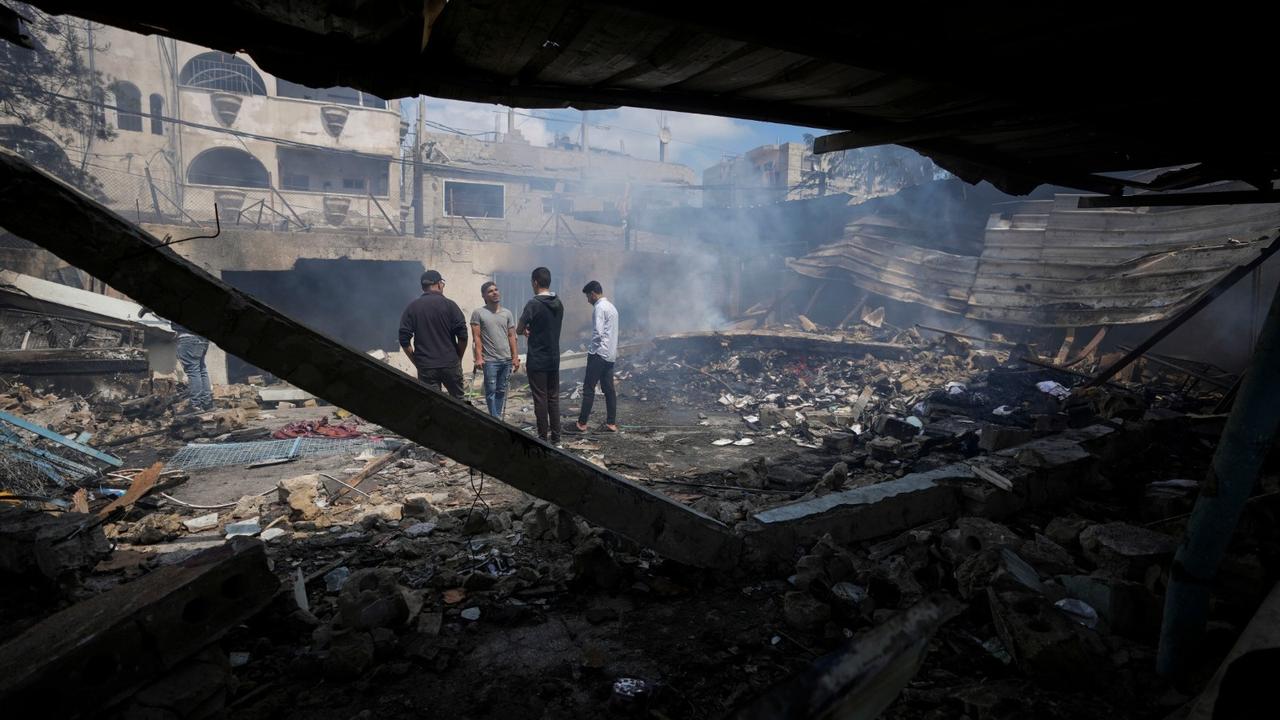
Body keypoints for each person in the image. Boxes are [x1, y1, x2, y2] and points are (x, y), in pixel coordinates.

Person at [399, 269, 468, 399]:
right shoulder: (450, 305)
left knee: (432, 404)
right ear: (439, 284)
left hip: (426, 366)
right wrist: (458, 358)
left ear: (423, 287)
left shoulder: (412, 308)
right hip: (450, 363)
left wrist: (416, 362)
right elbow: (463, 336)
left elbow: (404, 340)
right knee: (459, 403)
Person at [516, 266, 564, 444]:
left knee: (540, 398)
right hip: (553, 358)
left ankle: (543, 437)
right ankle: (556, 438)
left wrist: (528, 329)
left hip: (537, 359)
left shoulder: (533, 304)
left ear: (535, 282)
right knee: (553, 397)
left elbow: (520, 329)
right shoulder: (558, 303)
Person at [470, 280, 520, 418]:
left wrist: (515, 357)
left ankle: (497, 418)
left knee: (501, 390)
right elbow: (477, 337)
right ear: (484, 296)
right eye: (490, 291)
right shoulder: (478, 313)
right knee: (491, 390)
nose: (495, 293)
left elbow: (512, 336)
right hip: (490, 360)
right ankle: (495, 418)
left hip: (506, 359)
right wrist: (478, 357)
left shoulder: (507, 313)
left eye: (496, 289)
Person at [574, 280, 618, 432]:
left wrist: (591, 350)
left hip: (598, 354)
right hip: (610, 355)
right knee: (609, 390)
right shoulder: (612, 307)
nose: (587, 300)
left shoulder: (599, 308)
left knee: (588, 388)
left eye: (587, 296)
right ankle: (611, 423)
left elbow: (598, 333)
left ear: (593, 294)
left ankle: (582, 423)